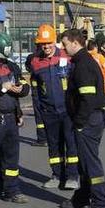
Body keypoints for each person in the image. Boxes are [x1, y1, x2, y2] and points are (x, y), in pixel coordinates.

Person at [60, 28, 105, 208]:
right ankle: (82, 197)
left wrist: (79, 123)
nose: (63, 49)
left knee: (90, 163)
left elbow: (87, 99)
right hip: (89, 120)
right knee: (85, 163)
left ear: (75, 43)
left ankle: (101, 202)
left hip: (88, 121)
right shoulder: (82, 62)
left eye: (65, 45)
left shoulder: (83, 66)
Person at [26, 25, 79, 190]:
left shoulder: (67, 57)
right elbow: (35, 85)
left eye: (49, 43)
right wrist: (41, 107)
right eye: (43, 44)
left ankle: (72, 177)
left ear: (54, 41)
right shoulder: (35, 62)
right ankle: (57, 175)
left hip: (67, 110)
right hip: (49, 112)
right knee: (54, 146)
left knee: (71, 144)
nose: (46, 47)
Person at [0, 32, 31, 204]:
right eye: (0, 55)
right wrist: (2, 87)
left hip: (11, 118)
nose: (2, 59)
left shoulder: (10, 66)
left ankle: (12, 190)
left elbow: (24, 84)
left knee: (11, 157)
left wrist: (21, 88)